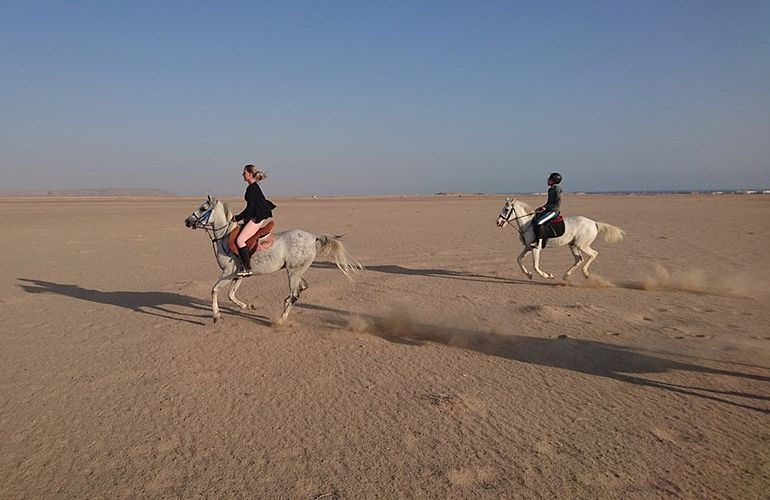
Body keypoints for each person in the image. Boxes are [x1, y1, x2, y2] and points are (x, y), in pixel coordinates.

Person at [233, 164, 276, 277]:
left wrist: (237, 217)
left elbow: (250, 208)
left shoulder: (252, 188)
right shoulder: (253, 187)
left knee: (240, 241)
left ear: (250, 174)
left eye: (244, 173)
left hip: (257, 218)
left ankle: (247, 268)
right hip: (256, 216)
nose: (243, 175)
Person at [530, 172, 562, 248]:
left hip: (553, 211)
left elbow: (558, 202)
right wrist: (542, 207)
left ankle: (538, 242)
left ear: (554, 180)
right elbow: (548, 202)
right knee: (535, 218)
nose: (547, 180)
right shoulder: (550, 190)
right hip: (549, 210)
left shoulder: (556, 189)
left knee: (538, 222)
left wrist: (547, 208)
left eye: (549, 179)